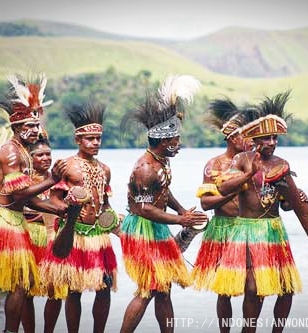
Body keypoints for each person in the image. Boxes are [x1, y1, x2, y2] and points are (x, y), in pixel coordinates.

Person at [0, 73, 67, 333]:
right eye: (29, 126)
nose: (36, 130)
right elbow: (20, 196)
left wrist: (57, 209)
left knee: (22, 283)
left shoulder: (23, 149)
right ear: (16, 127)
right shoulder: (12, 153)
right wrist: (52, 181)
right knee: (21, 282)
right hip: (5, 220)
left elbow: (29, 198)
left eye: (37, 126)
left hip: (13, 217)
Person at [119, 74, 209, 333]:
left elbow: (163, 192)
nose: (178, 145)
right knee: (148, 288)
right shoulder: (145, 169)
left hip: (155, 227)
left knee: (164, 289)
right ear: (162, 141)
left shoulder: (161, 162)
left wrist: (181, 210)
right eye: (175, 141)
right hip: (142, 229)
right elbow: (145, 209)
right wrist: (181, 221)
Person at [216, 91, 302, 333]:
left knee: (286, 287)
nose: (272, 142)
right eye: (266, 138)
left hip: (274, 229)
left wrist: (296, 199)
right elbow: (223, 187)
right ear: (255, 139)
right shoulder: (242, 159)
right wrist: (247, 174)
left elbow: (284, 204)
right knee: (252, 288)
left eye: (275, 137)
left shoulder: (282, 164)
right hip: (248, 230)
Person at [40, 102, 118, 333]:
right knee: (73, 289)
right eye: (90, 139)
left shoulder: (105, 169)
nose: (95, 143)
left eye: (98, 139)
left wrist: (114, 221)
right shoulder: (67, 166)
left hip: (98, 236)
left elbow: (105, 204)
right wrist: (67, 209)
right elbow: (53, 200)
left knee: (104, 287)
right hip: (72, 234)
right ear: (78, 140)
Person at [191, 97, 255, 332]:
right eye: (244, 135)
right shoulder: (215, 165)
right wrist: (233, 192)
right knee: (225, 290)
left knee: (252, 288)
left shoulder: (254, 162)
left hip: (250, 228)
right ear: (231, 137)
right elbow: (206, 204)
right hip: (223, 229)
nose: (249, 140)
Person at [20, 135, 60, 333]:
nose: (45, 158)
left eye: (48, 154)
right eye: (40, 155)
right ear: (29, 156)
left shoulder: (59, 180)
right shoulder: (23, 180)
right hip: (29, 238)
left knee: (57, 290)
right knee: (26, 291)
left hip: (53, 238)